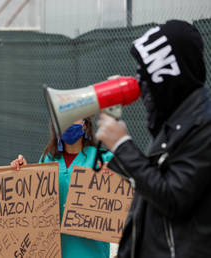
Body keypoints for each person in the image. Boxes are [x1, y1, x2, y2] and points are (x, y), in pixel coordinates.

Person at [96, 20, 211, 258]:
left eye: (147, 76)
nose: (141, 85)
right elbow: (157, 186)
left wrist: (122, 145)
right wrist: (120, 158)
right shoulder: (180, 122)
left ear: (168, 73)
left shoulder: (204, 126)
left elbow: (173, 197)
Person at [11, 117, 113, 258]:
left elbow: (126, 196)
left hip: (92, 253)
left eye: (75, 117)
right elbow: (35, 202)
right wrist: (24, 173)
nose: (69, 122)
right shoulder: (47, 158)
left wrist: (115, 175)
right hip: (52, 252)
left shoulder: (104, 158)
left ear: (85, 125)